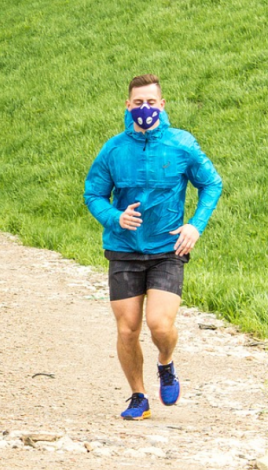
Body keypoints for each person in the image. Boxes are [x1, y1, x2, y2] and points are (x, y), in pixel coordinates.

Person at [84, 74, 222, 420]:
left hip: (167, 249)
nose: (144, 108)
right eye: (138, 102)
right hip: (124, 249)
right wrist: (115, 217)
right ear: (128, 106)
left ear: (162, 105)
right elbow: (93, 194)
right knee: (127, 329)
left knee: (159, 326)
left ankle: (165, 362)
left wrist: (195, 224)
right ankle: (138, 397)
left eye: (151, 102)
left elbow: (211, 183)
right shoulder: (113, 149)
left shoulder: (182, 144)